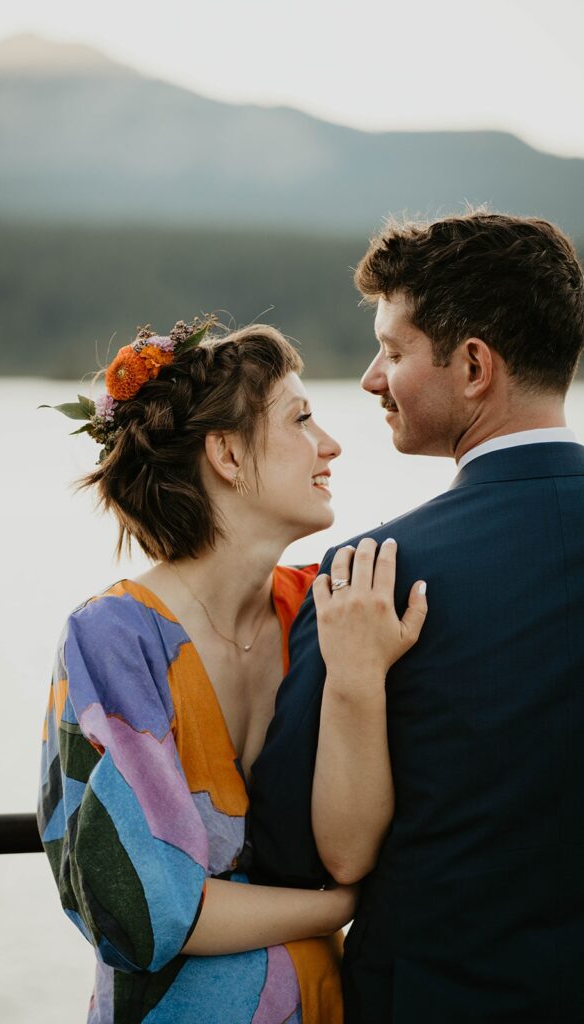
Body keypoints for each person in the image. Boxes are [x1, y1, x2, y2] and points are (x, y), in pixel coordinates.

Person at [36, 318, 428, 1024]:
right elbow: (140, 911)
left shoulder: (321, 610)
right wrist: (338, 907)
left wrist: (357, 676)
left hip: (327, 1004)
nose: (330, 445)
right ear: (225, 453)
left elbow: (358, 836)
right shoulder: (113, 641)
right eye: (301, 419)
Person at [250, 211, 584, 1023]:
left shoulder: (369, 579)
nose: (371, 378)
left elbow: (294, 856)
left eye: (393, 351)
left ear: (473, 366)